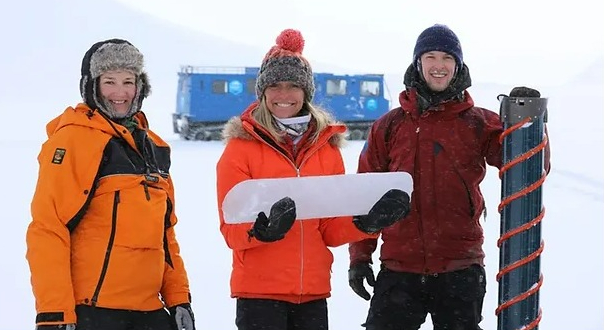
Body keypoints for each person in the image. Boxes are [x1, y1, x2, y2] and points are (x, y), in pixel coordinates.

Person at [348, 24, 551, 330]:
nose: (438, 65)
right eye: (430, 56)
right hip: (400, 268)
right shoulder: (388, 126)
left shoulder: (479, 123)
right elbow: (365, 195)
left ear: (458, 65)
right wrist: (360, 257)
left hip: (460, 268)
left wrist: (528, 124)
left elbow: (532, 167)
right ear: (418, 63)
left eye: (447, 57)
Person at [216, 29, 411, 330]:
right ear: (263, 92)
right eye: (275, 86)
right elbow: (231, 229)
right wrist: (261, 231)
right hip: (259, 296)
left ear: (306, 92)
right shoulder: (240, 149)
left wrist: (364, 223)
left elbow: (329, 230)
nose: (284, 95)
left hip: (312, 295)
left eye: (293, 86)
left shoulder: (326, 149)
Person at [26, 39, 196, 330]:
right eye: (109, 82)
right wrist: (54, 313)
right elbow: (48, 228)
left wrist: (179, 297)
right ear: (91, 86)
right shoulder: (74, 140)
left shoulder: (154, 147)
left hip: (150, 313)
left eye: (128, 81)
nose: (120, 93)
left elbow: (165, 235)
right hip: (94, 313)